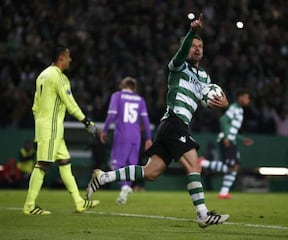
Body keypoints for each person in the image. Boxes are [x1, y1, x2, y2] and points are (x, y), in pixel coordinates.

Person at [87, 14, 231, 228]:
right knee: (194, 165)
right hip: (174, 122)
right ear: (185, 48)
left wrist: (224, 103)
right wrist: (192, 32)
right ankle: (202, 214)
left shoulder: (205, 79)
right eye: (192, 45)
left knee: (151, 172)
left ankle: (103, 178)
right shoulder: (178, 66)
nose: (197, 49)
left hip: (170, 126)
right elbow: (182, 53)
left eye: (200, 46)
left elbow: (214, 98)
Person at [23, 45, 100, 215]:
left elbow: (35, 106)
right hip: (51, 128)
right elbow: (70, 103)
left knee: (65, 162)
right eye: (68, 56)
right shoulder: (58, 77)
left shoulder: (42, 75)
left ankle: (79, 202)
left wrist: (41, 122)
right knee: (42, 165)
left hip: (48, 127)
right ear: (61, 58)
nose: (70, 59)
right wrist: (86, 122)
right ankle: (29, 206)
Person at [99, 76, 153, 204]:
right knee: (131, 167)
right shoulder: (140, 100)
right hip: (136, 136)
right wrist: (149, 138)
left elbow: (111, 114)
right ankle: (124, 194)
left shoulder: (117, 96)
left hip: (122, 135)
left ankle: (124, 186)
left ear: (122, 85)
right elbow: (145, 120)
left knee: (116, 164)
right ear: (134, 88)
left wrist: (105, 130)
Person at [199, 89, 253, 199]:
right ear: (240, 97)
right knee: (232, 167)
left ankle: (224, 192)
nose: (248, 100)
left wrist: (242, 139)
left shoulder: (240, 110)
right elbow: (223, 120)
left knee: (234, 167)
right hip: (227, 140)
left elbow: (232, 129)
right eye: (246, 97)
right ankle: (203, 163)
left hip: (231, 140)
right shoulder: (234, 108)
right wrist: (227, 137)